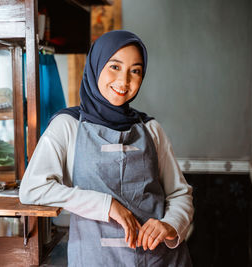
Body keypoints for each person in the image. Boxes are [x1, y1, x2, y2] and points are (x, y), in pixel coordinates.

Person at [19, 30, 193, 266]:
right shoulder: (68, 126)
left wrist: (170, 224)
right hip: (94, 259)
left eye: (135, 71)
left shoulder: (152, 129)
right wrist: (106, 205)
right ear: (95, 66)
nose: (124, 81)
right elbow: (33, 189)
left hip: (162, 259)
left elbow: (179, 193)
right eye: (115, 66)